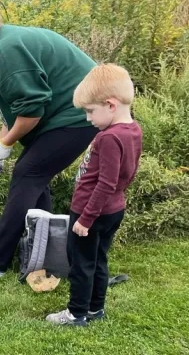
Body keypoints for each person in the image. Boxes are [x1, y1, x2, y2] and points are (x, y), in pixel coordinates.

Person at [0, 0, 98, 277]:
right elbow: (16, 110)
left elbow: (32, 111)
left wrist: (5, 145)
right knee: (34, 179)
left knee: (28, 173)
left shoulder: (9, 48)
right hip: (67, 117)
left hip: (79, 115)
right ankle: (47, 258)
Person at [46, 64, 142, 326]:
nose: (88, 118)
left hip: (92, 211)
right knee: (99, 259)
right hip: (113, 209)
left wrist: (85, 219)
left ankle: (76, 313)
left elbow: (106, 183)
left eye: (90, 111)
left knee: (81, 263)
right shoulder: (133, 131)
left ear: (110, 105)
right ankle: (95, 309)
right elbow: (128, 175)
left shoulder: (108, 138)